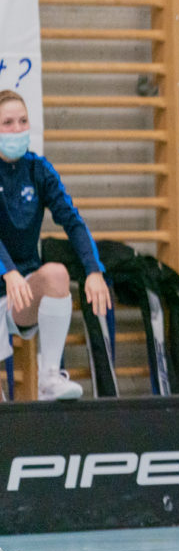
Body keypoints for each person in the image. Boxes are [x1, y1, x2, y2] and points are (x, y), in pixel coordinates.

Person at [0, 89, 110, 401]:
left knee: (57, 274)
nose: (17, 129)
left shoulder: (39, 170)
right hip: (8, 278)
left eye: (23, 121)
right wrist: (8, 271)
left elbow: (73, 221)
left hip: (19, 293)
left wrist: (93, 270)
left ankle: (49, 376)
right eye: (7, 123)